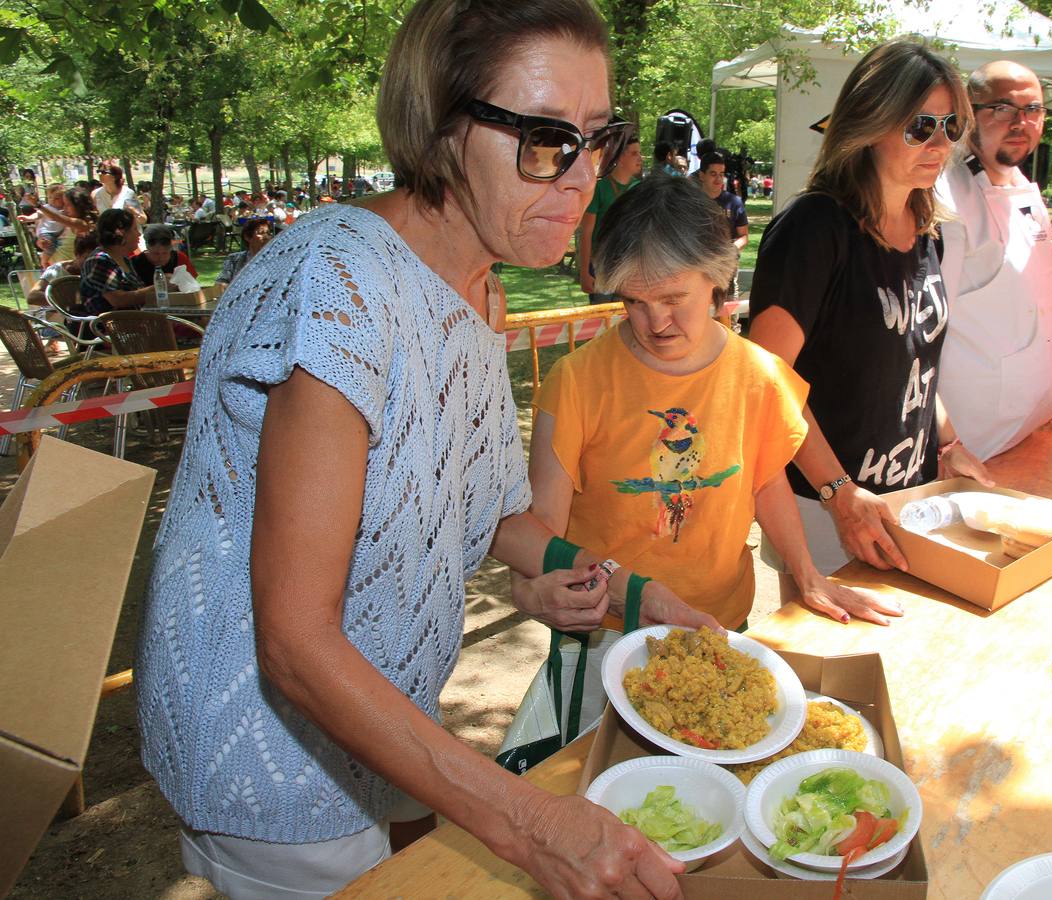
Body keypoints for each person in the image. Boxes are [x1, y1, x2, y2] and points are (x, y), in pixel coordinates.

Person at [135, 2, 714, 898]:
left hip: (385, 725)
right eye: (544, 139)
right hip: (269, 759)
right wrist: (531, 824)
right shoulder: (339, 290)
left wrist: (636, 595)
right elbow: (293, 640)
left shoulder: (478, 292)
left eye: (597, 139)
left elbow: (486, 512)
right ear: (440, 130)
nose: (582, 180)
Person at [525, 176, 902, 631]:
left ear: (717, 277)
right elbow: (542, 526)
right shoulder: (575, 382)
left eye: (673, 298)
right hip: (606, 627)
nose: (656, 321)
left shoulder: (758, 374)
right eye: (634, 301)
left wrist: (808, 575)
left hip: (719, 622)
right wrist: (532, 589)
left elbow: (766, 484)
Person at [747, 40, 993, 591]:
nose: (939, 143)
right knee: (836, 667)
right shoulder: (814, 228)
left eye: (952, 127)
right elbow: (767, 383)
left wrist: (950, 446)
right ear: (870, 122)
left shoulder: (929, 232)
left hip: (913, 496)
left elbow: (913, 362)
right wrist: (840, 495)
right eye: (919, 126)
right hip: (829, 502)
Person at [934, 60, 1052, 463]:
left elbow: (1039, 304)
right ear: (967, 115)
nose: (1020, 122)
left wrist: (1043, 395)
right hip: (971, 438)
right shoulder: (944, 197)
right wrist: (945, 440)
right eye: (1003, 108)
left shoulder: (1026, 190)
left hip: (1032, 422)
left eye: (1033, 110)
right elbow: (922, 328)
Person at [578, 132, 641, 302]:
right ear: (620, 158)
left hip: (630, 267)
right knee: (601, 318)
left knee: (626, 319)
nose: (640, 158)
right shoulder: (599, 187)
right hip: (601, 265)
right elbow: (586, 233)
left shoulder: (640, 189)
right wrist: (584, 272)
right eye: (634, 153)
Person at [694, 151, 749, 306]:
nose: (718, 179)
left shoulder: (734, 202)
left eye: (721, 174)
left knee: (728, 316)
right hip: (698, 270)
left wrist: (730, 250)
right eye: (713, 174)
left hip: (727, 271)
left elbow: (744, 236)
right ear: (702, 175)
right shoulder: (690, 202)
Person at [80, 208, 155, 314]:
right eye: (134, 229)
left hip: (133, 320)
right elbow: (119, 300)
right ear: (120, 233)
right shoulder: (100, 260)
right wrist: (158, 288)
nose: (139, 234)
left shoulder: (124, 259)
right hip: (108, 326)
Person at [131, 223, 198, 285]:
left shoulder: (179, 258)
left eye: (165, 253)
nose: (161, 258)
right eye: (156, 254)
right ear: (147, 247)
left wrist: (178, 280)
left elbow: (193, 284)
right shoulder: (134, 262)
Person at [214, 217, 274, 286]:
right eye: (261, 233)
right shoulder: (234, 259)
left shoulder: (276, 259)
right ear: (247, 237)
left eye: (269, 233)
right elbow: (221, 282)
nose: (266, 237)